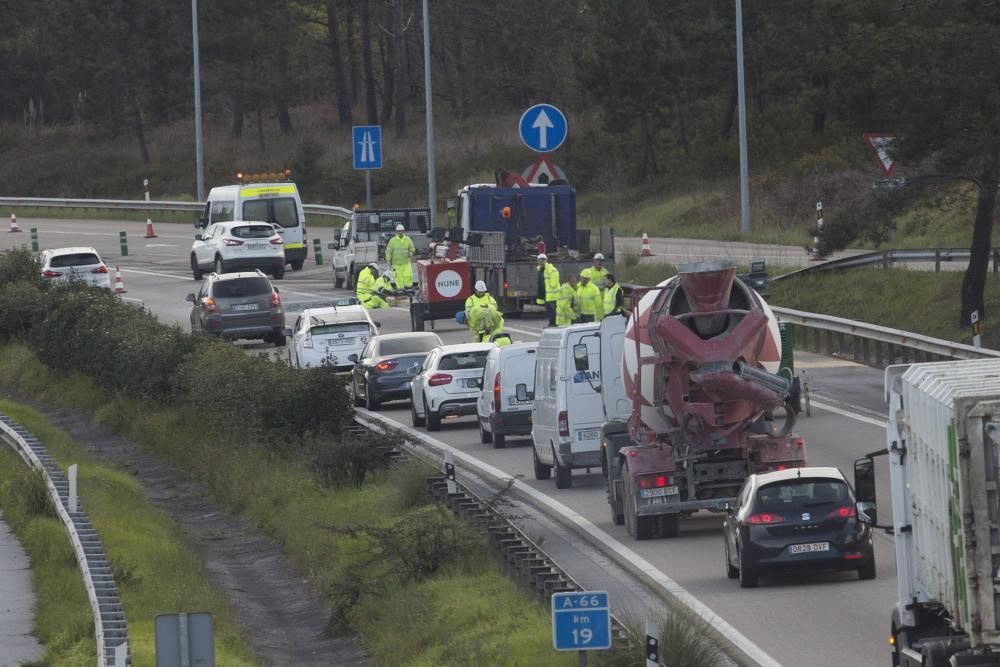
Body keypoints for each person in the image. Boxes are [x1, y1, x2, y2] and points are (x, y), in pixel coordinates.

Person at [386, 223, 416, 288]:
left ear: (404, 231)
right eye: (399, 231)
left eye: (401, 231)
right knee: (399, 279)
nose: (400, 232)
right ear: (396, 232)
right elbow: (388, 252)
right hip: (397, 264)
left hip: (406, 263)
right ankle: (401, 291)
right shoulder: (393, 240)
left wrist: (411, 253)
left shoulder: (407, 239)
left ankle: (408, 290)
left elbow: (412, 248)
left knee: (408, 276)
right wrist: (388, 263)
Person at [535, 253, 560, 326]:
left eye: (543, 260)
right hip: (547, 294)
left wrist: (552, 286)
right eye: (540, 260)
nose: (542, 262)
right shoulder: (540, 270)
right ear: (538, 261)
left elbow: (554, 282)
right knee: (549, 310)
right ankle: (552, 322)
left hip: (553, 294)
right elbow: (540, 283)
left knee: (553, 310)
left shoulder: (551, 269)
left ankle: (554, 323)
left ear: (546, 260)